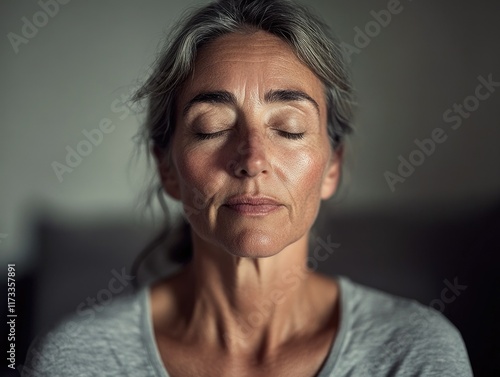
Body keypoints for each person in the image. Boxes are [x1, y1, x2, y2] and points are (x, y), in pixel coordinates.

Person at [22, 0, 473, 376]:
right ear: (168, 169)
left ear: (332, 166)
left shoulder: (414, 352)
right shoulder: (78, 359)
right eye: (213, 128)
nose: (252, 159)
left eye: (290, 129)